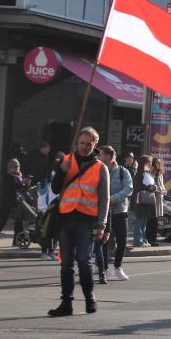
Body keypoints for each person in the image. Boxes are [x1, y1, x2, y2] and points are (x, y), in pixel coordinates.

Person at [47, 127, 110, 317]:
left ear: (95, 145)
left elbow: (105, 198)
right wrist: (60, 171)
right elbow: (56, 189)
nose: (84, 147)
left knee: (84, 260)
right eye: (81, 143)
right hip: (66, 218)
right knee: (66, 263)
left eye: (88, 144)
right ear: (77, 143)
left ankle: (90, 297)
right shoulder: (66, 161)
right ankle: (66, 302)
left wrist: (102, 224)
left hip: (87, 220)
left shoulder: (101, 168)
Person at [98, 146, 132, 282]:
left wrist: (114, 198)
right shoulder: (99, 170)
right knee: (104, 240)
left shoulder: (123, 172)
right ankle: (104, 269)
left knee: (122, 240)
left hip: (119, 210)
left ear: (110, 156)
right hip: (104, 211)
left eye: (102, 155)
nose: (100, 157)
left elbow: (128, 189)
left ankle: (118, 267)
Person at [0, 158, 29, 248]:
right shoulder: (8, 176)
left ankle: (18, 241)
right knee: (2, 221)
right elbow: (9, 189)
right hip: (7, 203)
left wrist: (26, 183)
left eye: (18, 166)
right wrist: (21, 183)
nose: (16, 168)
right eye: (14, 167)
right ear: (10, 168)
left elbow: (21, 189)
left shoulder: (20, 176)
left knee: (19, 221)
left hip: (17, 202)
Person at [132, 156, 155, 247]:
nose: (150, 164)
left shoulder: (146, 173)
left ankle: (143, 240)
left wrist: (154, 187)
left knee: (144, 223)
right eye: (149, 162)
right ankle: (138, 241)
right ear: (144, 163)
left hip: (145, 202)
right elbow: (138, 187)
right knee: (140, 222)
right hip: (140, 201)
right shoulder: (139, 174)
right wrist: (149, 188)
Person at [145, 157, 166, 246]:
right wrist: (157, 190)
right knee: (151, 219)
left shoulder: (160, 174)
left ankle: (153, 240)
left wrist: (164, 190)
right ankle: (149, 239)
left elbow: (162, 185)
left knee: (156, 220)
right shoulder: (150, 173)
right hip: (153, 197)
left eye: (159, 163)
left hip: (159, 198)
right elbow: (150, 185)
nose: (158, 164)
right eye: (157, 162)